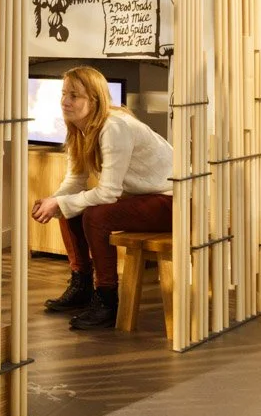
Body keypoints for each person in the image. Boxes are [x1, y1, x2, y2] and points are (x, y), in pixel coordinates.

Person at [29, 66, 172, 330]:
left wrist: (59, 202)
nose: (66, 101)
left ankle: (106, 299)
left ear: (94, 99)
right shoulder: (78, 129)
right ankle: (81, 284)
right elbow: (75, 182)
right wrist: (54, 202)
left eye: (75, 96)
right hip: (143, 198)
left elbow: (108, 193)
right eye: (64, 94)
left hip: (172, 201)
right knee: (68, 207)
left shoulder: (114, 127)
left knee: (95, 214)